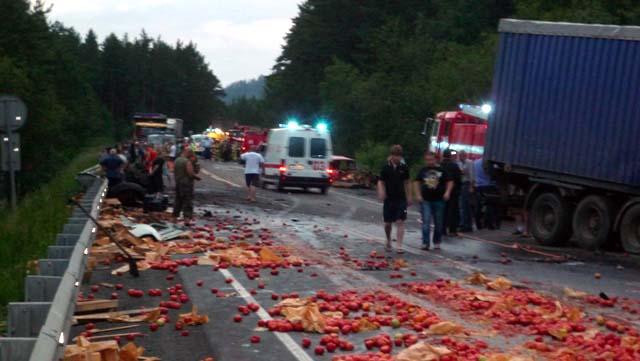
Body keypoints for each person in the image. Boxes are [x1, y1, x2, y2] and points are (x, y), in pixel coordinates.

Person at [414, 151, 453, 250]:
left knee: (438, 222)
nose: (429, 162)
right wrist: (418, 194)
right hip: (426, 199)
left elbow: (450, 181)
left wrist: (447, 192)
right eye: (427, 160)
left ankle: (437, 241)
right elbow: (416, 182)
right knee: (426, 221)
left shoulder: (442, 170)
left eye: (431, 159)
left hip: (439, 200)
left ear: (435, 159)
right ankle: (425, 243)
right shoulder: (423, 170)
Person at [377, 145, 411, 253]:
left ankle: (399, 245)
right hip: (389, 198)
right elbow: (381, 182)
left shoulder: (404, 168)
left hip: (401, 198)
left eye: (399, 156)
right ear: (391, 156)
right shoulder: (385, 168)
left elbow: (407, 182)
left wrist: (409, 196)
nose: (397, 158)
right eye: (395, 156)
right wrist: (382, 191)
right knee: (388, 223)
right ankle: (388, 239)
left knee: (400, 221)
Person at [173, 148, 201, 222]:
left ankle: (175, 216)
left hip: (178, 182)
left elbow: (173, 170)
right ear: (188, 153)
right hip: (186, 183)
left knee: (178, 200)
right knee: (187, 200)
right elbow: (190, 173)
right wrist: (197, 177)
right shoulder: (187, 161)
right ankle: (187, 219)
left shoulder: (177, 160)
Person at [471, 158, 500, 230]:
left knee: (478, 206)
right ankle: (489, 225)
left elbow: (472, 174)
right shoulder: (492, 164)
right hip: (489, 186)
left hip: (478, 186)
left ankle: (478, 225)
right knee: (490, 206)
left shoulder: (475, 162)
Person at [441, 149, 462, 237]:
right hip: (453, 192)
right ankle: (452, 230)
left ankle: (442, 229)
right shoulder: (454, 166)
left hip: (442, 191)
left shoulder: (440, 165)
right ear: (450, 156)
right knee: (453, 211)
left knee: (442, 211)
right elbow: (458, 179)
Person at [458, 150, 474, 232]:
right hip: (461, 184)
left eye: (460, 156)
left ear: (464, 156)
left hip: (466, 184)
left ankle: (465, 225)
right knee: (463, 206)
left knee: (464, 206)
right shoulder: (459, 163)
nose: (459, 158)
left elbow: (471, 175)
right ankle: (465, 224)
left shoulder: (469, 163)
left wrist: (471, 186)